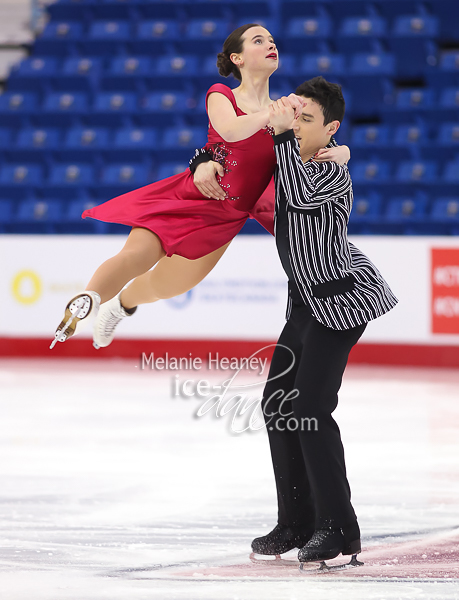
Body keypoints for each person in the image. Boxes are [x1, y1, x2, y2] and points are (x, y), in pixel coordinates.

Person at [50, 23, 350, 348]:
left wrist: (344, 150)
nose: (270, 44)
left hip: (227, 216)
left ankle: (120, 306)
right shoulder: (223, 95)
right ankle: (87, 299)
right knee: (137, 254)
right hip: (190, 196)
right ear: (237, 57)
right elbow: (231, 132)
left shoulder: (283, 111)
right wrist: (203, 160)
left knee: (165, 286)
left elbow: (305, 144)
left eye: (272, 40)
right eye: (258, 40)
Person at [248, 77, 398, 565]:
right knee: (278, 404)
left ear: (331, 129)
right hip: (306, 302)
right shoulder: (298, 154)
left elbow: (295, 192)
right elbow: (237, 155)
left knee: (310, 409)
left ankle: (338, 528)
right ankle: (296, 522)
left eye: (306, 120)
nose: (295, 126)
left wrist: (283, 138)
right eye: (295, 117)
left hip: (341, 301)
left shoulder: (331, 176)